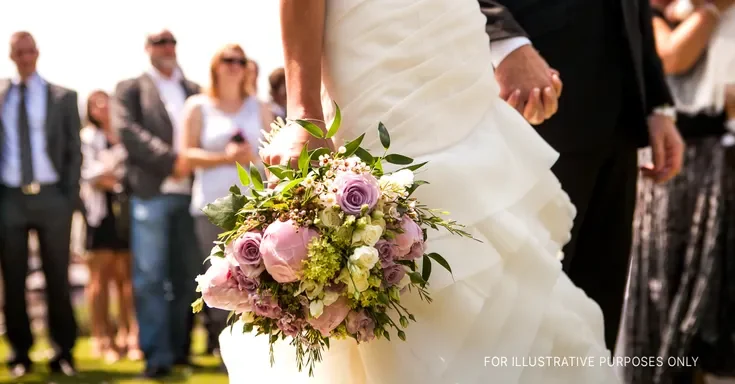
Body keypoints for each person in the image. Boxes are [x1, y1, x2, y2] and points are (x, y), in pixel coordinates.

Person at [218, 1, 621, 382]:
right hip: (375, 57)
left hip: (457, 60)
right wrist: (304, 115)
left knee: (502, 265)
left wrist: (506, 42)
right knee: (397, 267)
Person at [480, 0, 686, 351]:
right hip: (531, 100)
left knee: (596, 323)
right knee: (523, 323)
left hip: (618, 119)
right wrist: (503, 39)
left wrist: (656, 102)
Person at [620, 1, 735, 383]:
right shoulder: (653, 11)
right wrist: (713, 10)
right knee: (668, 283)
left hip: (722, 162)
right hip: (676, 164)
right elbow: (669, 57)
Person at [110, 28, 201, 379]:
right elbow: (127, 131)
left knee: (186, 277)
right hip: (151, 193)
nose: (167, 47)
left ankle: (180, 350)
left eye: (172, 41)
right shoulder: (130, 88)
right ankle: (157, 355)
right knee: (149, 278)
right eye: (160, 42)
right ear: (148, 48)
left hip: (190, 195)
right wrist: (172, 160)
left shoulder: (192, 89)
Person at [180, 43, 271, 365]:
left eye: (241, 61)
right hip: (210, 205)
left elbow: (273, 156)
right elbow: (186, 155)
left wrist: (251, 158)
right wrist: (224, 157)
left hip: (253, 205)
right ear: (216, 66)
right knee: (219, 278)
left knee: (257, 275)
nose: (235, 66)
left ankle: (257, 347)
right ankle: (222, 346)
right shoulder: (198, 106)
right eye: (228, 60)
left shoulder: (260, 106)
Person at [0, 31, 81, 378]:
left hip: (52, 197)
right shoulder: (2, 96)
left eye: (29, 50)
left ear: (37, 53)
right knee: (13, 279)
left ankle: (63, 352)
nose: (24, 56)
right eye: (18, 51)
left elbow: (74, 152)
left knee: (57, 278)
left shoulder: (62, 97)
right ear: (11, 55)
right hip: (10, 197)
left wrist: (68, 197)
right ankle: (20, 354)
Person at [80, 90, 142, 364]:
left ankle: (129, 335)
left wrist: (111, 175)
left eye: (106, 100)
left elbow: (129, 172)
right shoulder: (87, 139)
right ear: (90, 110)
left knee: (126, 279)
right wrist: (110, 175)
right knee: (98, 280)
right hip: (98, 214)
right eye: (96, 102)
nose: (103, 106)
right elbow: (90, 175)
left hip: (125, 211)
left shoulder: (124, 135)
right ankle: (101, 337)